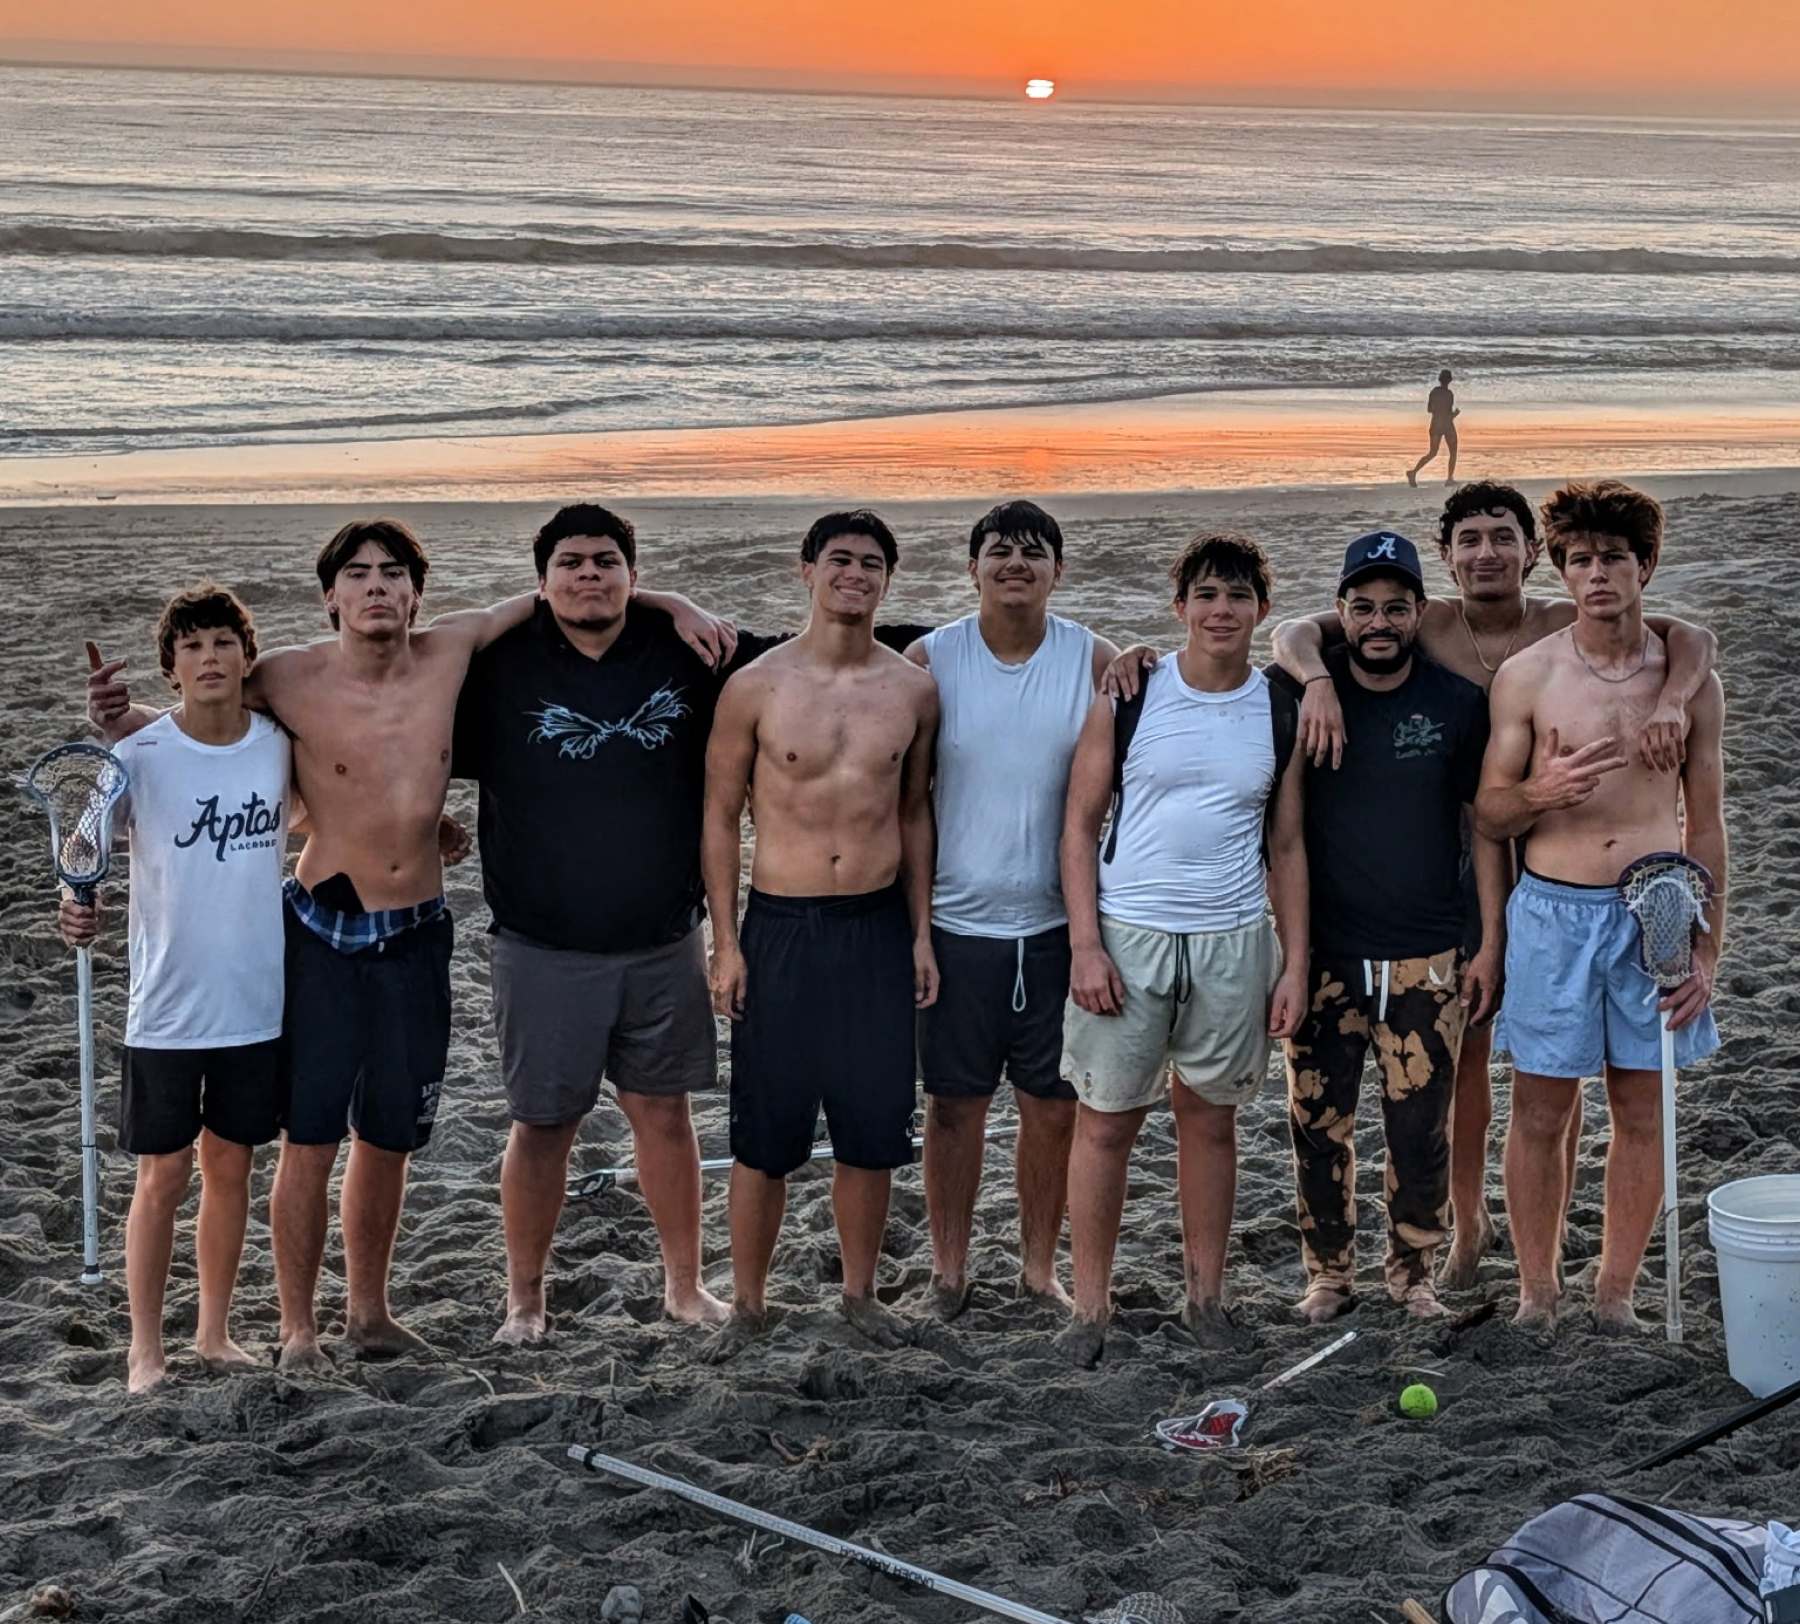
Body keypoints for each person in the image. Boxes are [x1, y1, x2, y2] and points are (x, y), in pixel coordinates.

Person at [88, 518, 731, 1371]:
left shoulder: (453, 650)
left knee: (389, 1137)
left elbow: (563, 592)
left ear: (417, 593)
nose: (377, 586)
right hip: (322, 928)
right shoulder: (285, 676)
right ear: (331, 598)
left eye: (394, 573)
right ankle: (297, 1330)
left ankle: (368, 1313)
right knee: (312, 1140)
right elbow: (197, 714)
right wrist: (120, 717)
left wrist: (669, 598)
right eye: (357, 575)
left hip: (420, 932)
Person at [456, 502, 928, 1342]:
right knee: (540, 1126)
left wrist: (672, 605)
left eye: (609, 562)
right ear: (541, 581)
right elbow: (406, 710)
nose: (590, 575)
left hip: (661, 939)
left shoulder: (690, 650)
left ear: (635, 579)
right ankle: (525, 1301)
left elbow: (842, 643)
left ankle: (684, 1287)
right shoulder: (501, 667)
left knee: (666, 1116)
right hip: (541, 944)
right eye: (572, 563)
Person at [1269, 481, 1718, 1288]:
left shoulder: (1562, 616)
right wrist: (1317, 682)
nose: (1485, 553)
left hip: (1563, 865)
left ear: (1529, 552)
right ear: (1445, 556)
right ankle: (1469, 1222)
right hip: (1466, 850)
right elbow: (1298, 630)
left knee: (1577, 1076)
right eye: (1468, 539)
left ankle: (1556, 1252)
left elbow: (1690, 636)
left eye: (1501, 537)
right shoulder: (1424, 620)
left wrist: (1678, 699)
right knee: (1471, 1054)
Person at [1475, 480, 1725, 1333]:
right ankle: (1537, 1291)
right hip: (1555, 910)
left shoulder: (1688, 684)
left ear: (1644, 565)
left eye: (1613, 557)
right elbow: (1490, 812)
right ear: (1561, 570)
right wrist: (1540, 790)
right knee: (1541, 1108)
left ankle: (1615, 1294)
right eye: (1578, 560)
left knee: (1641, 1108)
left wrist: (1709, 950)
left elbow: (1710, 824)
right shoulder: (1529, 676)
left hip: (1655, 911)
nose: (1596, 574)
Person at [1056, 532, 1308, 1368]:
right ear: (1180, 609)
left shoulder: (1280, 705)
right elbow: (1080, 825)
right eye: (1206, 594)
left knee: (1210, 1125)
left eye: (1238, 596)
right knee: (1105, 1125)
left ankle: (1206, 1297)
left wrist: (1294, 963)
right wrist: (1085, 946)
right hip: (1129, 935)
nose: (1221, 610)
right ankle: (1090, 1308)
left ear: (1262, 611)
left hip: (1234, 939)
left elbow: (1288, 849)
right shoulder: (1131, 692)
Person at [703, 510, 939, 1351]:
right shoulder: (756, 686)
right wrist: (725, 943)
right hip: (782, 927)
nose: (856, 574)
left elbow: (913, 814)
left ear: (887, 579)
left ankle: (861, 1294)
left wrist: (919, 935)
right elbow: (720, 818)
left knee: (871, 1131)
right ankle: (750, 1305)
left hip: (874, 927)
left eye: (873, 563)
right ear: (806, 571)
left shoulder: (911, 689)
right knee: (764, 1136)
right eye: (839, 559)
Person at [60, 584, 288, 1393]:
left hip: (255, 1002)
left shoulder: (274, 745)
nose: (210, 658)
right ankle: (144, 1348)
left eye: (223, 642)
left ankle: (214, 1332)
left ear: (246, 656)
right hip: (165, 1007)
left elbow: (322, 811)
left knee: (231, 1169)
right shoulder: (139, 756)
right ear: (171, 668)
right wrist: (75, 904)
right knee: (162, 1177)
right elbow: (82, 852)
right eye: (191, 647)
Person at [1280, 532, 1506, 1323]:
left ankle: (1413, 1276)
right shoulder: (1308, 694)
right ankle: (1329, 1275)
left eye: (1397, 608)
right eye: (1364, 607)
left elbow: (1482, 827)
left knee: (1420, 1132)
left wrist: (1487, 941)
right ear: (1341, 613)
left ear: (1419, 613)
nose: (1380, 622)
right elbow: (1283, 835)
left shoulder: (1457, 703)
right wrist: (1291, 960)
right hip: (1327, 959)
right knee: (1318, 1125)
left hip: (1428, 956)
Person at [904, 500, 1120, 1319]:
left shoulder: (1093, 659)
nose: (1015, 564)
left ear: (1058, 571)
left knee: (1051, 1108)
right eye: (999, 551)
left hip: (1060, 930)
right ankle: (948, 1273)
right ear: (972, 568)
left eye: (1034, 552)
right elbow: (911, 804)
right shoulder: (932, 659)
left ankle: (1039, 1270)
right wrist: (919, 929)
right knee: (953, 1108)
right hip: (959, 929)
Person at [1408, 369, 1459, 487]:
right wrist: (1455, 414)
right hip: (1447, 425)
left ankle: (1414, 472)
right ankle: (1449, 478)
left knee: (1432, 453)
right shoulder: (1449, 394)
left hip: (1435, 424)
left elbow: (1429, 409)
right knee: (1453, 452)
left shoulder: (1434, 392)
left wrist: (1439, 412)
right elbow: (1448, 414)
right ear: (1450, 380)